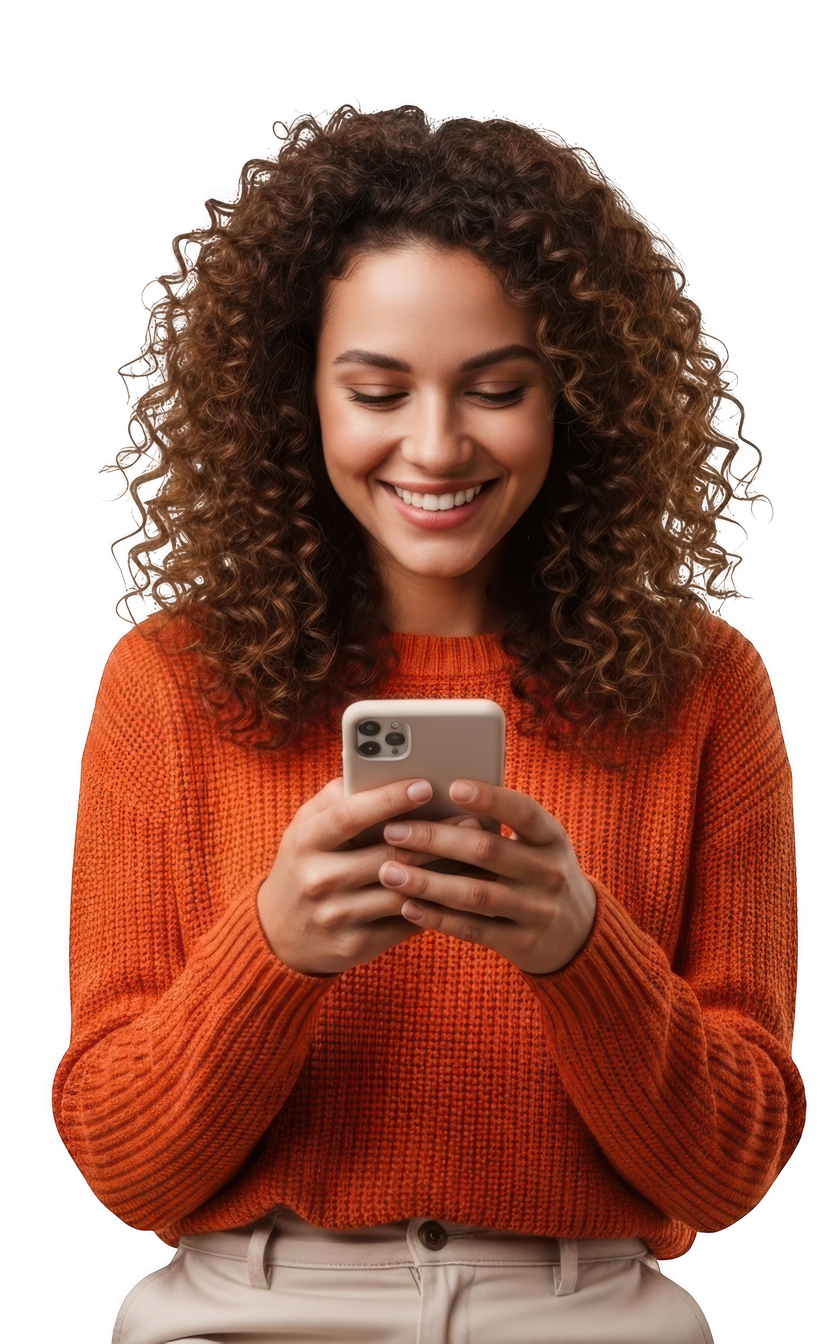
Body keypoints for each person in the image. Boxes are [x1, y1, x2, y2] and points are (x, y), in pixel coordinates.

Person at [52, 103, 805, 1343]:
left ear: (578, 398)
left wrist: (578, 947)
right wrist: (274, 954)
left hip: (589, 1314)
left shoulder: (709, 686)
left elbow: (728, 1173)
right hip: (247, 1309)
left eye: (497, 388)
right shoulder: (165, 682)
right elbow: (128, 1172)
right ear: (296, 396)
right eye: (378, 390)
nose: (437, 444)